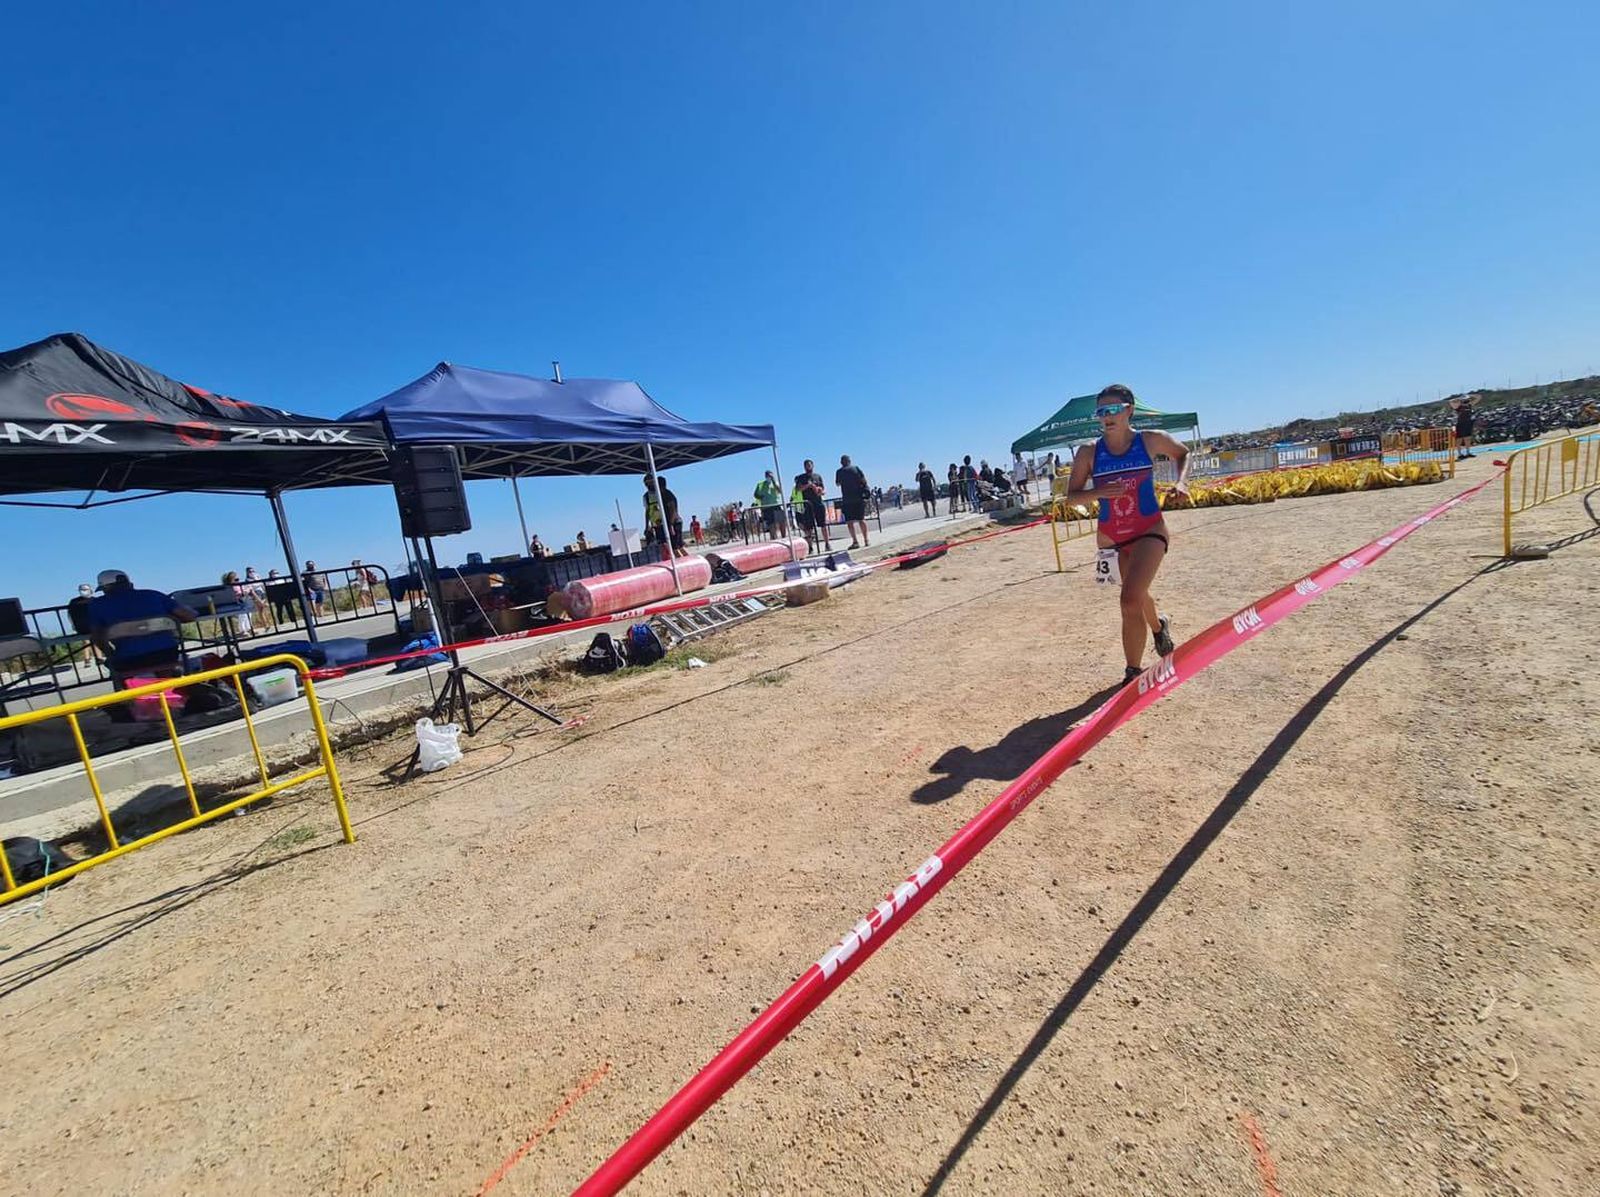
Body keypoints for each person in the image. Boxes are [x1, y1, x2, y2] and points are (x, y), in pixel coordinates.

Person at [1067, 384, 1191, 685]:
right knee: (1137, 594)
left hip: (1149, 529)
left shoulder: (1149, 440)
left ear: (1129, 410)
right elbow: (1072, 497)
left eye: (1112, 410)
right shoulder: (1088, 453)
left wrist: (1182, 482)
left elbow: (1183, 454)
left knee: (1128, 599)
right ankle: (1159, 627)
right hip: (1113, 537)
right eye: (1101, 412)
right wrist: (1098, 491)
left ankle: (1133, 672)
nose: (1106, 417)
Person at [87, 569, 198, 686]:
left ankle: (130, 695)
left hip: (130, 659)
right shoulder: (153, 595)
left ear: (105, 588)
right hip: (167, 654)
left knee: (112, 664)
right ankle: (173, 689)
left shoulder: (97, 605)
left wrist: (110, 654)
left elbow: (97, 636)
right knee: (165, 662)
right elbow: (189, 616)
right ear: (129, 583)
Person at [644, 473, 687, 559]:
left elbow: (673, 509)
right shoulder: (654, 495)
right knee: (678, 546)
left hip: (673, 522)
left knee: (675, 547)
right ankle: (689, 561)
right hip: (669, 522)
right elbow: (648, 511)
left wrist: (671, 525)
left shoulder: (666, 494)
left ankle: (686, 563)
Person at [835, 454, 871, 550]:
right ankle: (866, 540)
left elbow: (838, 484)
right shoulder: (856, 469)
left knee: (850, 521)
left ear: (841, 462)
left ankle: (855, 541)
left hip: (847, 499)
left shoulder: (839, 472)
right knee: (861, 519)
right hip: (858, 497)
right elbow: (864, 480)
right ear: (849, 461)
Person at [795, 459, 831, 552]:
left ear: (813, 465)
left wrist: (820, 491)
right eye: (806, 465)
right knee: (809, 527)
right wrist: (808, 486)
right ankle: (810, 547)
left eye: (810, 465)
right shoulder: (801, 477)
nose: (808, 467)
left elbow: (823, 489)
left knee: (823, 524)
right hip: (808, 504)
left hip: (818, 503)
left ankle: (827, 544)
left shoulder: (817, 476)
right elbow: (798, 489)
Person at [754, 470, 785, 540]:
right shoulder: (760, 484)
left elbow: (780, 491)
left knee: (781, 521)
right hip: (766, 507)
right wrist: (760, 497)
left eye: (770, 475)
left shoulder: (776, 483)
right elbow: (755, 494)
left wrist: (773, 481)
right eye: (767, 475)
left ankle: (784, 537)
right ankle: (774, 538)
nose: (769, 477)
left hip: (776, 504)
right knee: (771, 524)